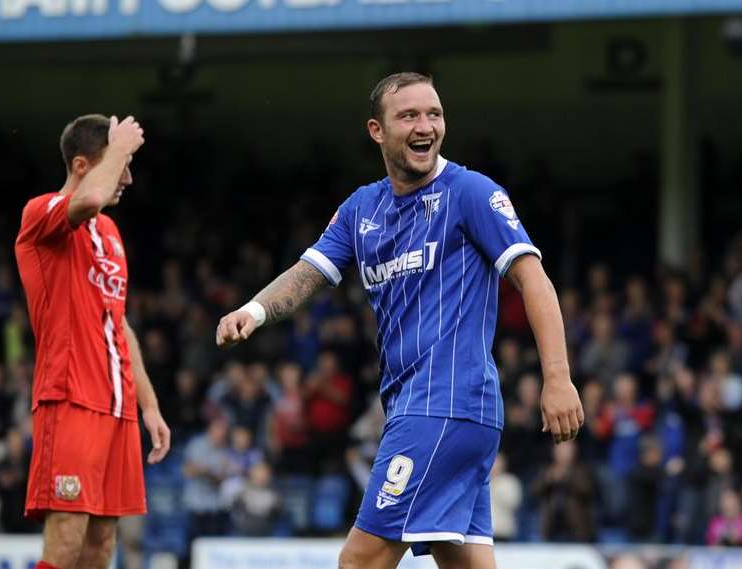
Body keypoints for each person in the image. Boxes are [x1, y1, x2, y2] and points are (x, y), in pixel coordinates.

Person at [216, 72, 583, 569]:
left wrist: (557, 377)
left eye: (433, 114)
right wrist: (253, 310)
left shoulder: (470, 192)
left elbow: (534, 280)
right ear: (377, 130)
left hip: (446, 402)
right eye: (408, 115)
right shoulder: (361, 208)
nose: (425, 125)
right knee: (466, 563)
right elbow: (309, 272)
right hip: (421, 408)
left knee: (359, 561)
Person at [14, 114, 171, 569]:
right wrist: (121, 143)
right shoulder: (39, 214)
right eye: (120, 162)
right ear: (81, 165)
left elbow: (119, 325)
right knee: (65, 541)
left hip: (118, 409)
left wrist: (150, 406)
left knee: (101, 546)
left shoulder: (110, 232)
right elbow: (90, 198)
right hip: (70, 398)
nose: (129, 176)